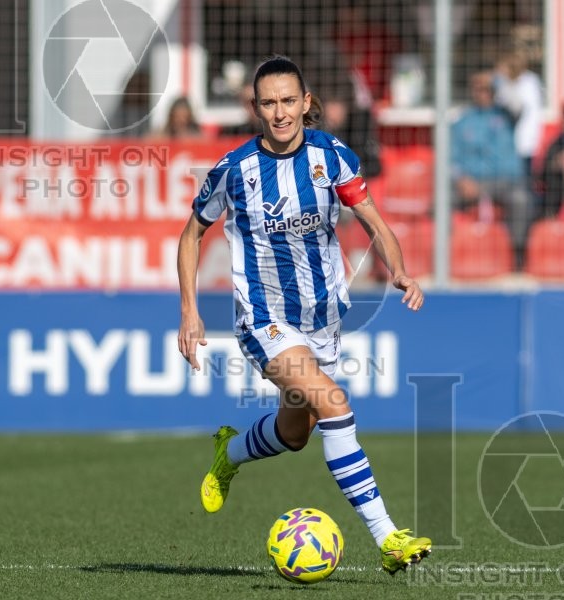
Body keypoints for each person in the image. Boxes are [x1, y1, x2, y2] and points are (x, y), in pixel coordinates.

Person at [177, 56, 431, 575]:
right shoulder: (234, 169)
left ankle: (230, 453)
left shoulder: (331, 156)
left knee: (295, 434)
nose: (280, 113)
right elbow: (191, 234)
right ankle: (388, 537)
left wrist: (400, 270)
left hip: (322, 316)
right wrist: (189, 311)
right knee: (335, 406)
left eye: (288, 101)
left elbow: (373, 221)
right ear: (255, 107)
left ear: (305, 102)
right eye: (269, 103)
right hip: (263, 316)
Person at [451, 70, 533, 267]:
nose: (483, 93)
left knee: (521, 200)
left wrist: (497, 79)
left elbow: (518, 101)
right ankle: (445, 258)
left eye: (487, 89)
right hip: (472, 183)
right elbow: (449, 158)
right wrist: (460, 178)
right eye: (478, 89)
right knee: (441, 200)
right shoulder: (462, 121)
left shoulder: (508, 115)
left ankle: (516, 258)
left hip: (507, 182)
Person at [494, 49, 545, 174]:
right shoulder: (515, 83)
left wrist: (501, 85)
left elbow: (515, 107)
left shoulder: (526, 84)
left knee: (520, 180)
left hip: (520, 143)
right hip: (513, 143)